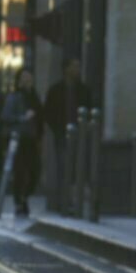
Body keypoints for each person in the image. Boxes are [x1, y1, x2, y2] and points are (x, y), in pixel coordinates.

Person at [44, 58, 91, 208]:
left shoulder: (83, 90)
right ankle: (62, 200)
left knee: (77, 167)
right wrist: (57, 129)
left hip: (79, 134)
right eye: (74, 66)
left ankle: (73, 200)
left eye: (78, 66)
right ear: (66, 69)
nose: (77, 69)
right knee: (63, 166)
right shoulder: (55, 90)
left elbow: (89, 109)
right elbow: (48, 112)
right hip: (62, 133)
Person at [2, 68, 43, 217]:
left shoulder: (34, 97)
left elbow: (40, 117)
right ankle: (19, 202)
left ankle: (25, 197)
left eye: (29, 78)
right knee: (19, 171)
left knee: (34, 171)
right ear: (19, 81)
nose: (27, 81)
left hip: (31, 139)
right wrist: (22, 118)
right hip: (18, 139)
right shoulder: (14, 97)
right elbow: (6, 116)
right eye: (24, 78)